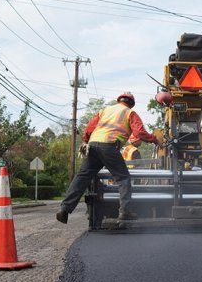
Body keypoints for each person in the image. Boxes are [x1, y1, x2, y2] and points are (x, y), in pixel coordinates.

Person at [56, 92, 159, 224]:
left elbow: (88, 130)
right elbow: (139, 133)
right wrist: (154, 140)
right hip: (109, 147)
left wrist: (88, 141)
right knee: (123, 178)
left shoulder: (104, 110)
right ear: (131, 104)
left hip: (92, 146)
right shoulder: (129, 113)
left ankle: (64, 210)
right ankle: (125, 212)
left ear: (119, 101)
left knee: (82, 177)